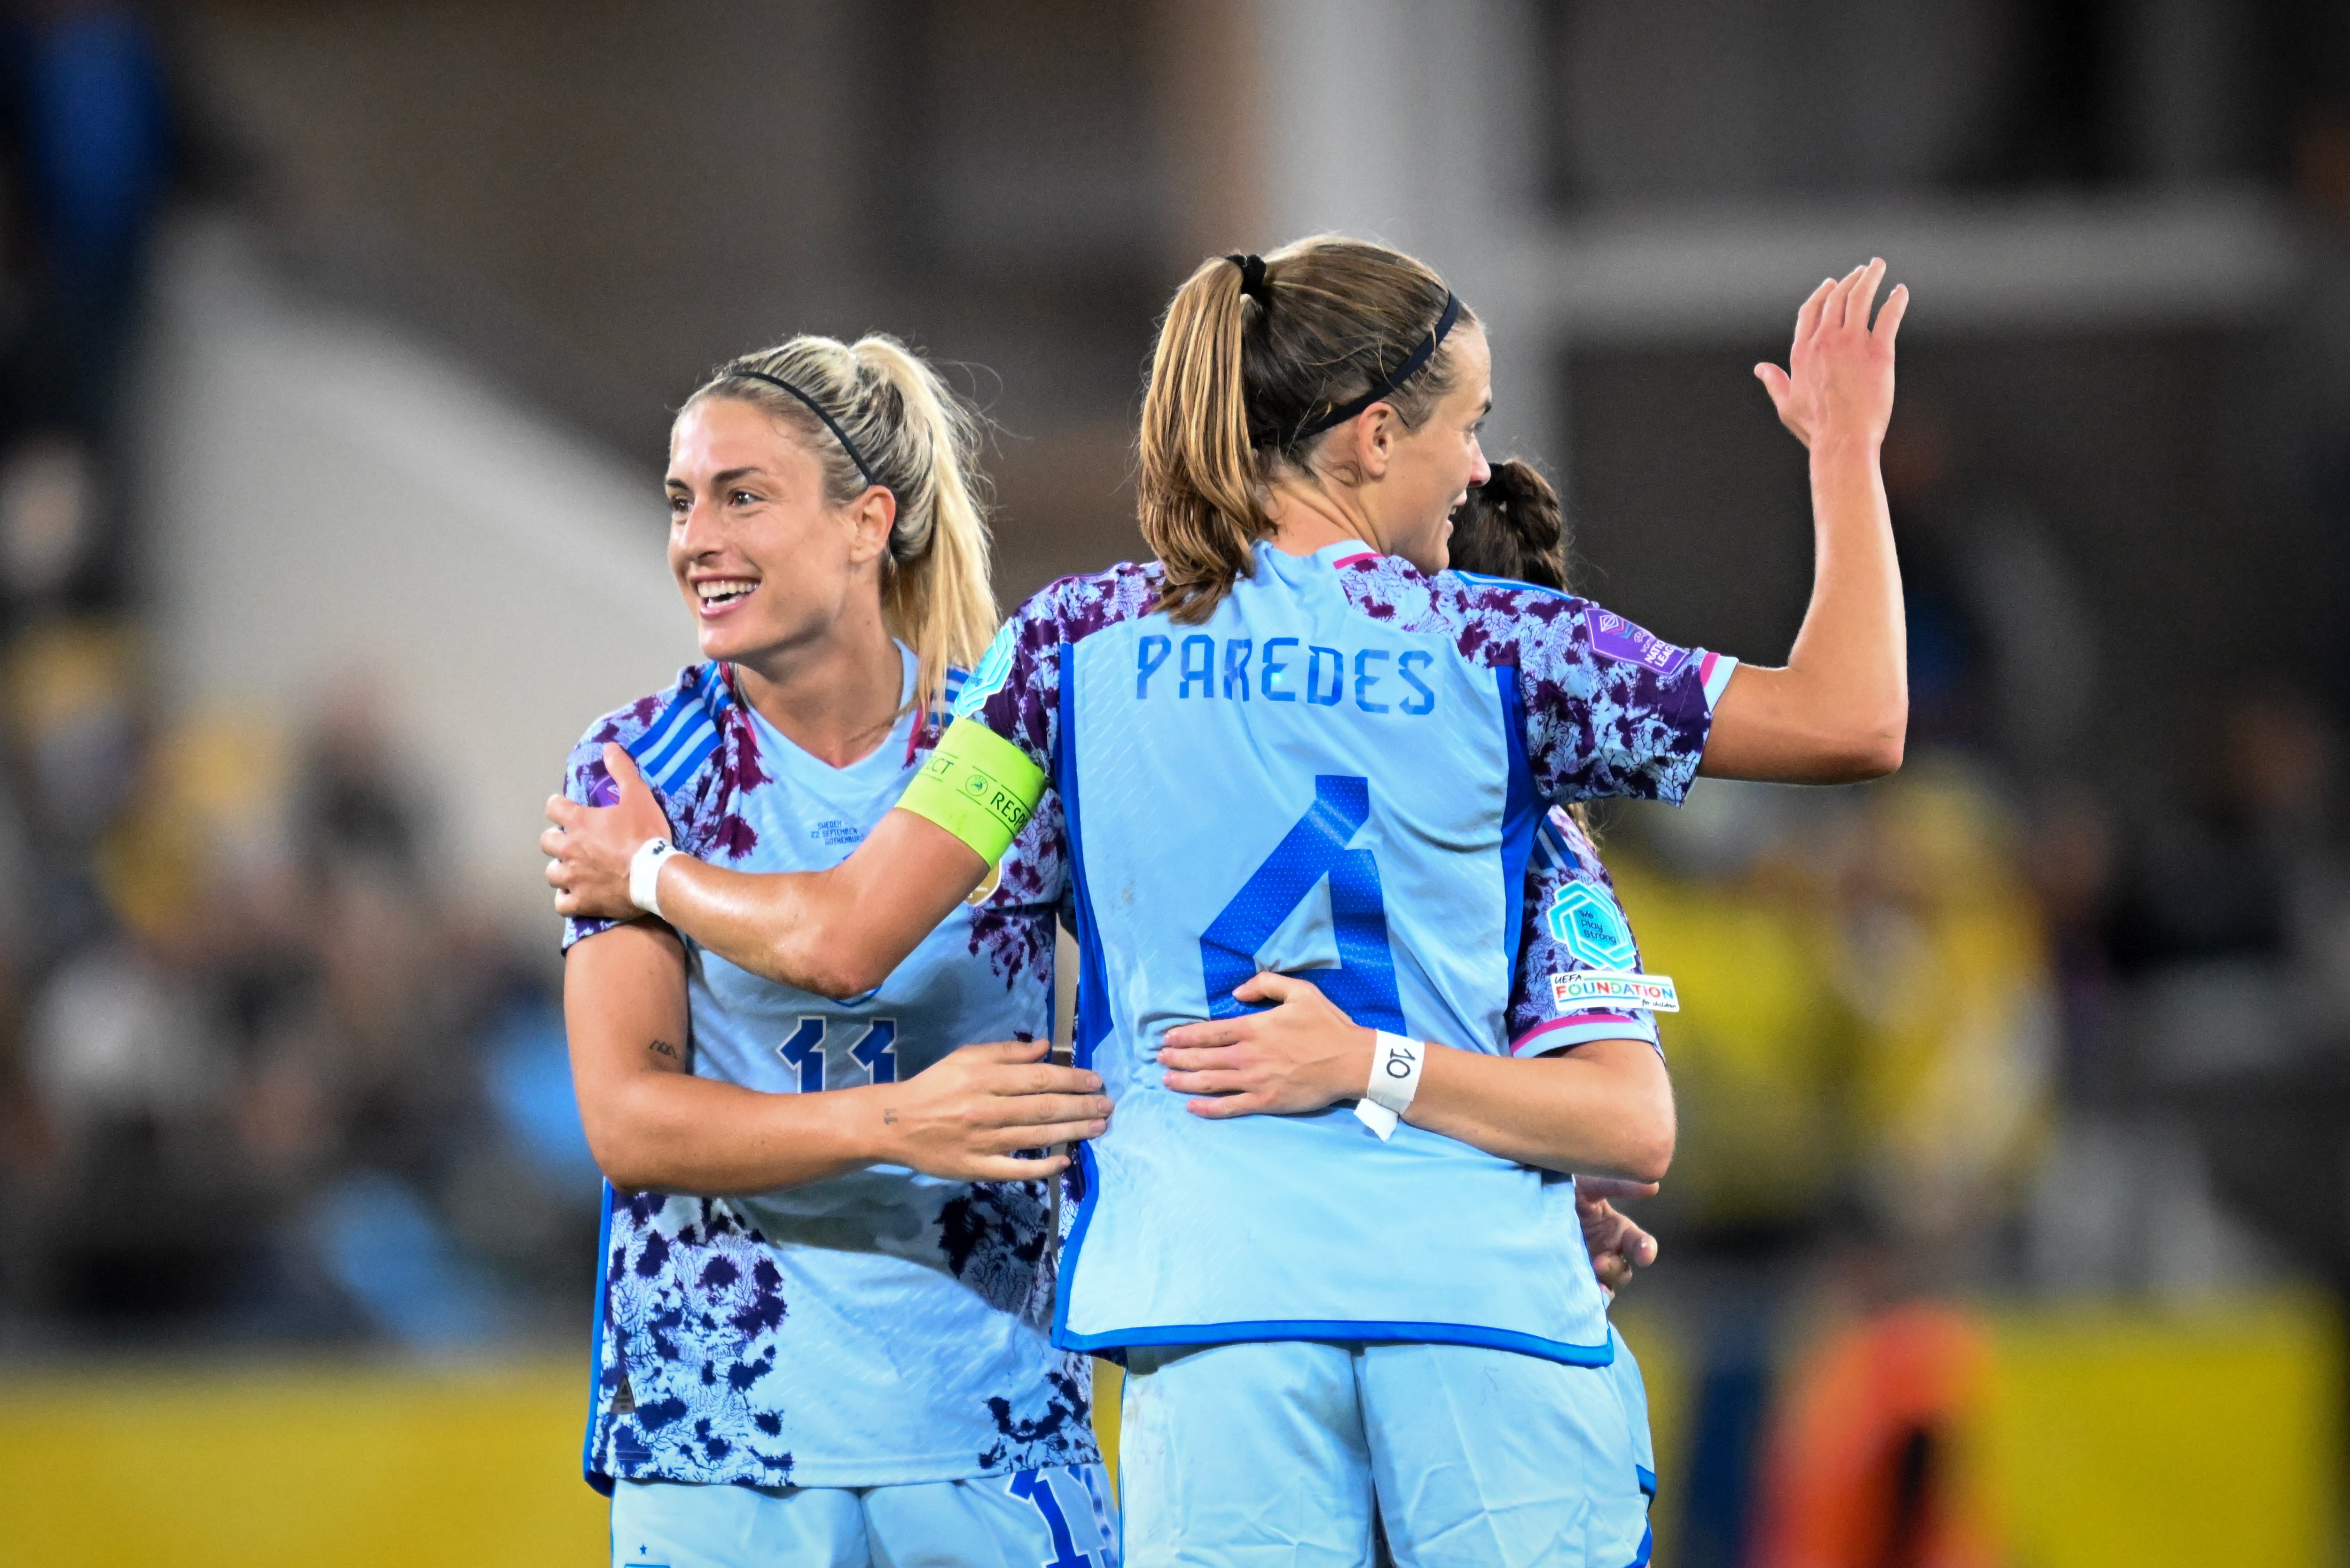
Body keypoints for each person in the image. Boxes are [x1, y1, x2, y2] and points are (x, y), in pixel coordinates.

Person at [548, 237, 1908, 1566]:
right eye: (1466, 425)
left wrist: (647, 877)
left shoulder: (1069, 652)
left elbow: (846, 936)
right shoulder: (1503, 645)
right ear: (1374, 437)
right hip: (1475, 1290)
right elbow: (1852, 721)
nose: (1478, 465)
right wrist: (1844, 453)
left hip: (1214, 1311)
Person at [558, 333, 1118, 1568]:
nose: (695, 537)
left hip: (995, 1423)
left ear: (869, 523)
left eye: (742, 495)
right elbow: (631, 1122)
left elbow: (1180, 1008)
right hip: (722, 1442)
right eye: (681, 500)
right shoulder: (640, 768)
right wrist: (892, 1124)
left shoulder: (1009, 748)